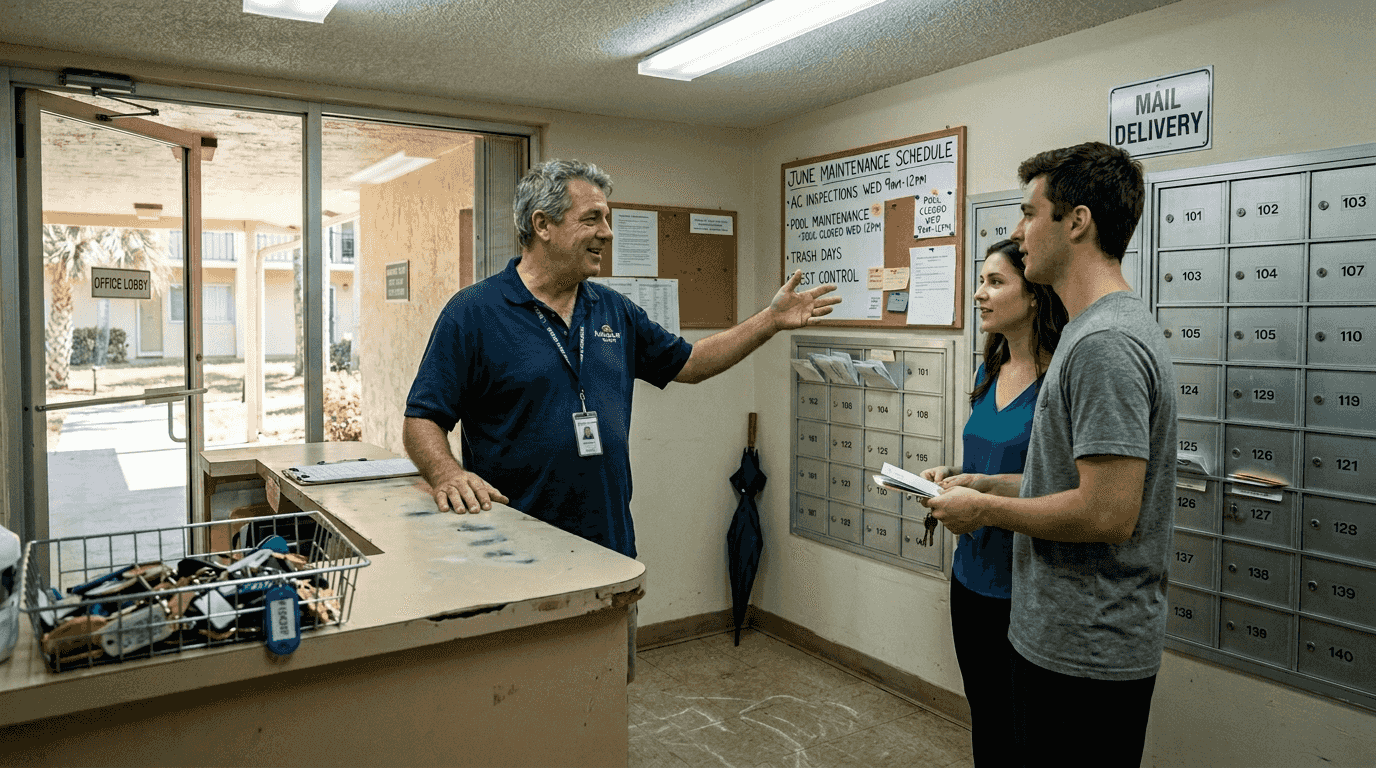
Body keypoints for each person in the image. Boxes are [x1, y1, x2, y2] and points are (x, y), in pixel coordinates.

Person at [402, 159, 840, 676]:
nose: (606, 234)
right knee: (523, 707)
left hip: (608, 547)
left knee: (603, 704)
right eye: (592, 219)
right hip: (514, 555)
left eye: (607, 220)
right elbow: (422, 417)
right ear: (542, 225)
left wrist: (768, 322)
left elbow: (691, 364)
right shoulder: (472, 312)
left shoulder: (612, 310)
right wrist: (447, 473)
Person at [924, 141, 1176, 766]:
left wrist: (984, 513)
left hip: (1085, 647)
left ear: (1077, 221)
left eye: (1030, 212)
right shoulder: (1094, 331)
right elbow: (1068, 485)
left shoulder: (1104, 344)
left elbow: (1107, 515)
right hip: (1063, 638)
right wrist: (984, 485)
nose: (1018, 230)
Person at [919, 238, 1066, 767]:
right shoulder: (989, 370)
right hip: (971, 577)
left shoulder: (1060, 381)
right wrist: (952, 475)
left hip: (1027, 584)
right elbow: (984, 460)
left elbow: (1066, 486)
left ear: (1033, 297)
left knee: (1027, 733)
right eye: (981, 281)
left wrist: (981, 488)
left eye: (995, 282)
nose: (979, 294)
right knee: (986, 719)